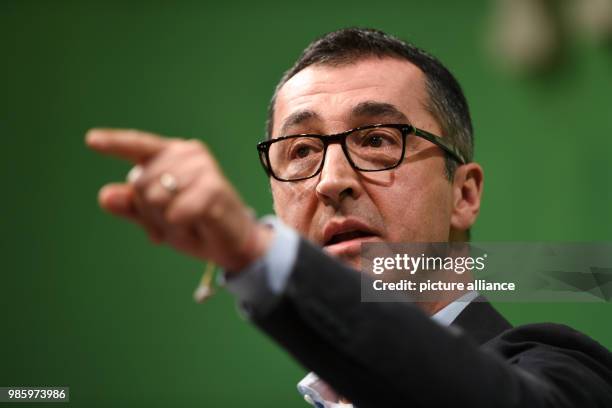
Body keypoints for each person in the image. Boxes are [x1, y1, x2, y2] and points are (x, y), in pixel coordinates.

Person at [85, 28, 612, 407]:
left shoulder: (560, 371)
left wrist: (256, 251)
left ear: (464, 194)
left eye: (378, 140)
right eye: (300, 151)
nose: (331, 180)